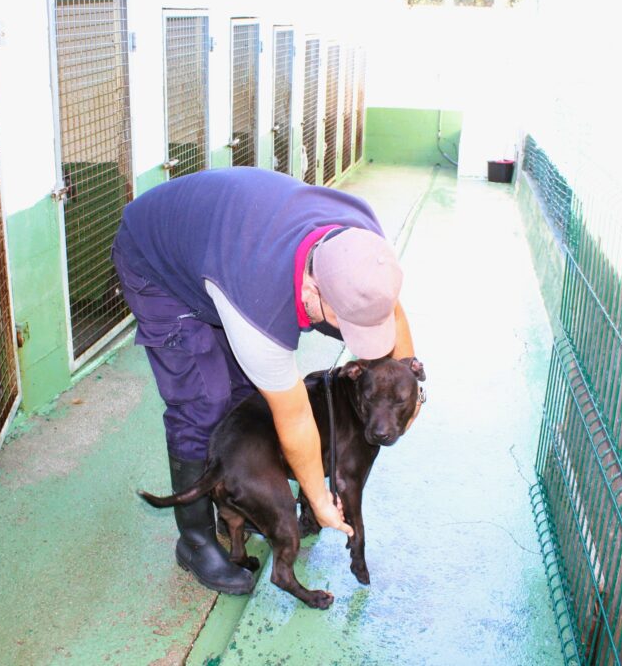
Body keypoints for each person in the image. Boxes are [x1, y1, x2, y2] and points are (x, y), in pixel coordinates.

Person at [112, 166, 415, 594]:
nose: (354, 342)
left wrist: (412, 391)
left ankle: (233, 502)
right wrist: (319, 499)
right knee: (204, 401)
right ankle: (195, 541)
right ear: (311, 290)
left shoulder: (362, 248)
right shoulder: (260, 305)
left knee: (245, 393)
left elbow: (390, 310)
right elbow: (294, 417)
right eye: (343, 324)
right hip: (157, 261)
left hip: (223, 246)